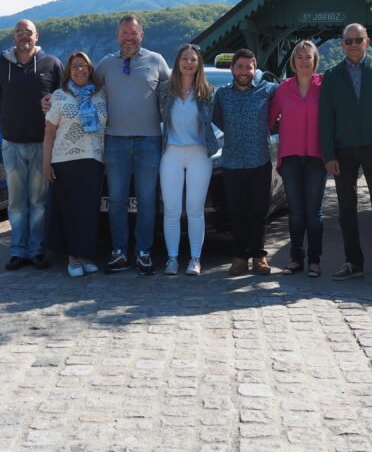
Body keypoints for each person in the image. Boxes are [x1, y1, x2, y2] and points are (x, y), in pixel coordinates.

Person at [318, 23, 372, 293]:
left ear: (367, 42)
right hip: (343, 151)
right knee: (346, 210)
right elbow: (325, 120)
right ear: (341, 44)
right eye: (348, 41)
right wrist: (329, 155)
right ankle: (353, 262)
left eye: (358, 40)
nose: (353, 45)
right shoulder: (331, 77)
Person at [94, 15, 170, 275]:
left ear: (142, 35)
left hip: (149, 141)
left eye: (133, 33)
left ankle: (144, 252)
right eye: (124, 33)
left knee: (147, 199)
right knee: (117, 200)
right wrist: (52, 98)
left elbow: (177, 92)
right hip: (114, 141)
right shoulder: (105, 65)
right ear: (117, 35)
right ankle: (119, 252)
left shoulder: (157, 61)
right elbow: (83, 90)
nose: (129, 38)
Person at [0, 19, 63, 271]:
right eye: (19, 32)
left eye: (27, 32)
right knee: (17, 203)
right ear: (13, 38)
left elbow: (64, 97)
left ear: (36, 37)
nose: (23, 36)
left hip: (43, 144)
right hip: (12, 144)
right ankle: (18, 251)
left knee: (39, 202)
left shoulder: (52, 64)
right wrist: (8, 120)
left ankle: (38, 251)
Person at [213, 48, 278, 275]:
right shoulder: (221, 95)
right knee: (237, 212)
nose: (244, 71)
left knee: (259, 212)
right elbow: (217, 119)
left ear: (255, 69)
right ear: (232, 69)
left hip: (259, 161)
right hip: (231, 162)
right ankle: (240, 256)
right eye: (239, 67)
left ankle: (259, 256)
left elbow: (289, 98)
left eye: (248, 67)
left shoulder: (268, 91)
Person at [43, 52, 108, 277]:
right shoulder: (60, 96)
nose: (79, 70)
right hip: (64, 161)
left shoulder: (101, 96)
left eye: (83, 66)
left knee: (89, 211)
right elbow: (49, 132)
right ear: (68, 72)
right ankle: (73, 259)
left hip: (94, 160)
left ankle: (86, 256)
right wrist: (46, 163)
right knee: (69, 211)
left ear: (90, 70)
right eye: (74, 67)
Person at [158, 44, 220, 277]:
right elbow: (156, 116)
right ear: (177, 62)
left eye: (193, 59)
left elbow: (215, 122)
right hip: (171, 154)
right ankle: (172, 259)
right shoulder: (165, 90)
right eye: (184, 58)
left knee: (195, 209)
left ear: (199, 64)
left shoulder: (207, 91)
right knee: (172, 210)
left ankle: (195, 259)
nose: (189, 63)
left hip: (198, 155)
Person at [268, 39, 325, 277]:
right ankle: (295, 258)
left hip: (317, 157)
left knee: (314, 212)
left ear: (315, 61)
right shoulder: (283, 89)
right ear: (293, 62)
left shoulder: (324, 86)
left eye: (308, 57)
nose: (303, 61)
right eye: (299, 57)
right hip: (290, 157)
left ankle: (314, 260)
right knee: (296, 211)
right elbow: (268, 120)